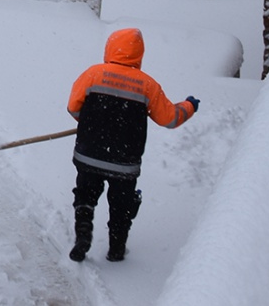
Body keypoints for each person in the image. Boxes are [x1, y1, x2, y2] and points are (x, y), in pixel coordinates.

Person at [66, 27, 198, 262]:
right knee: (121, 205)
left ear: (110, 48)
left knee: (85, 195)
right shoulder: (147, 85)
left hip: (89, 154)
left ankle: (83, 235)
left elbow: (74, 108)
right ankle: (116, 249)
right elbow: (170, 119)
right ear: (139, 54)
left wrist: (93, 122)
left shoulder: (93, 74)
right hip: (124, 162)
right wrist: (189, 106)